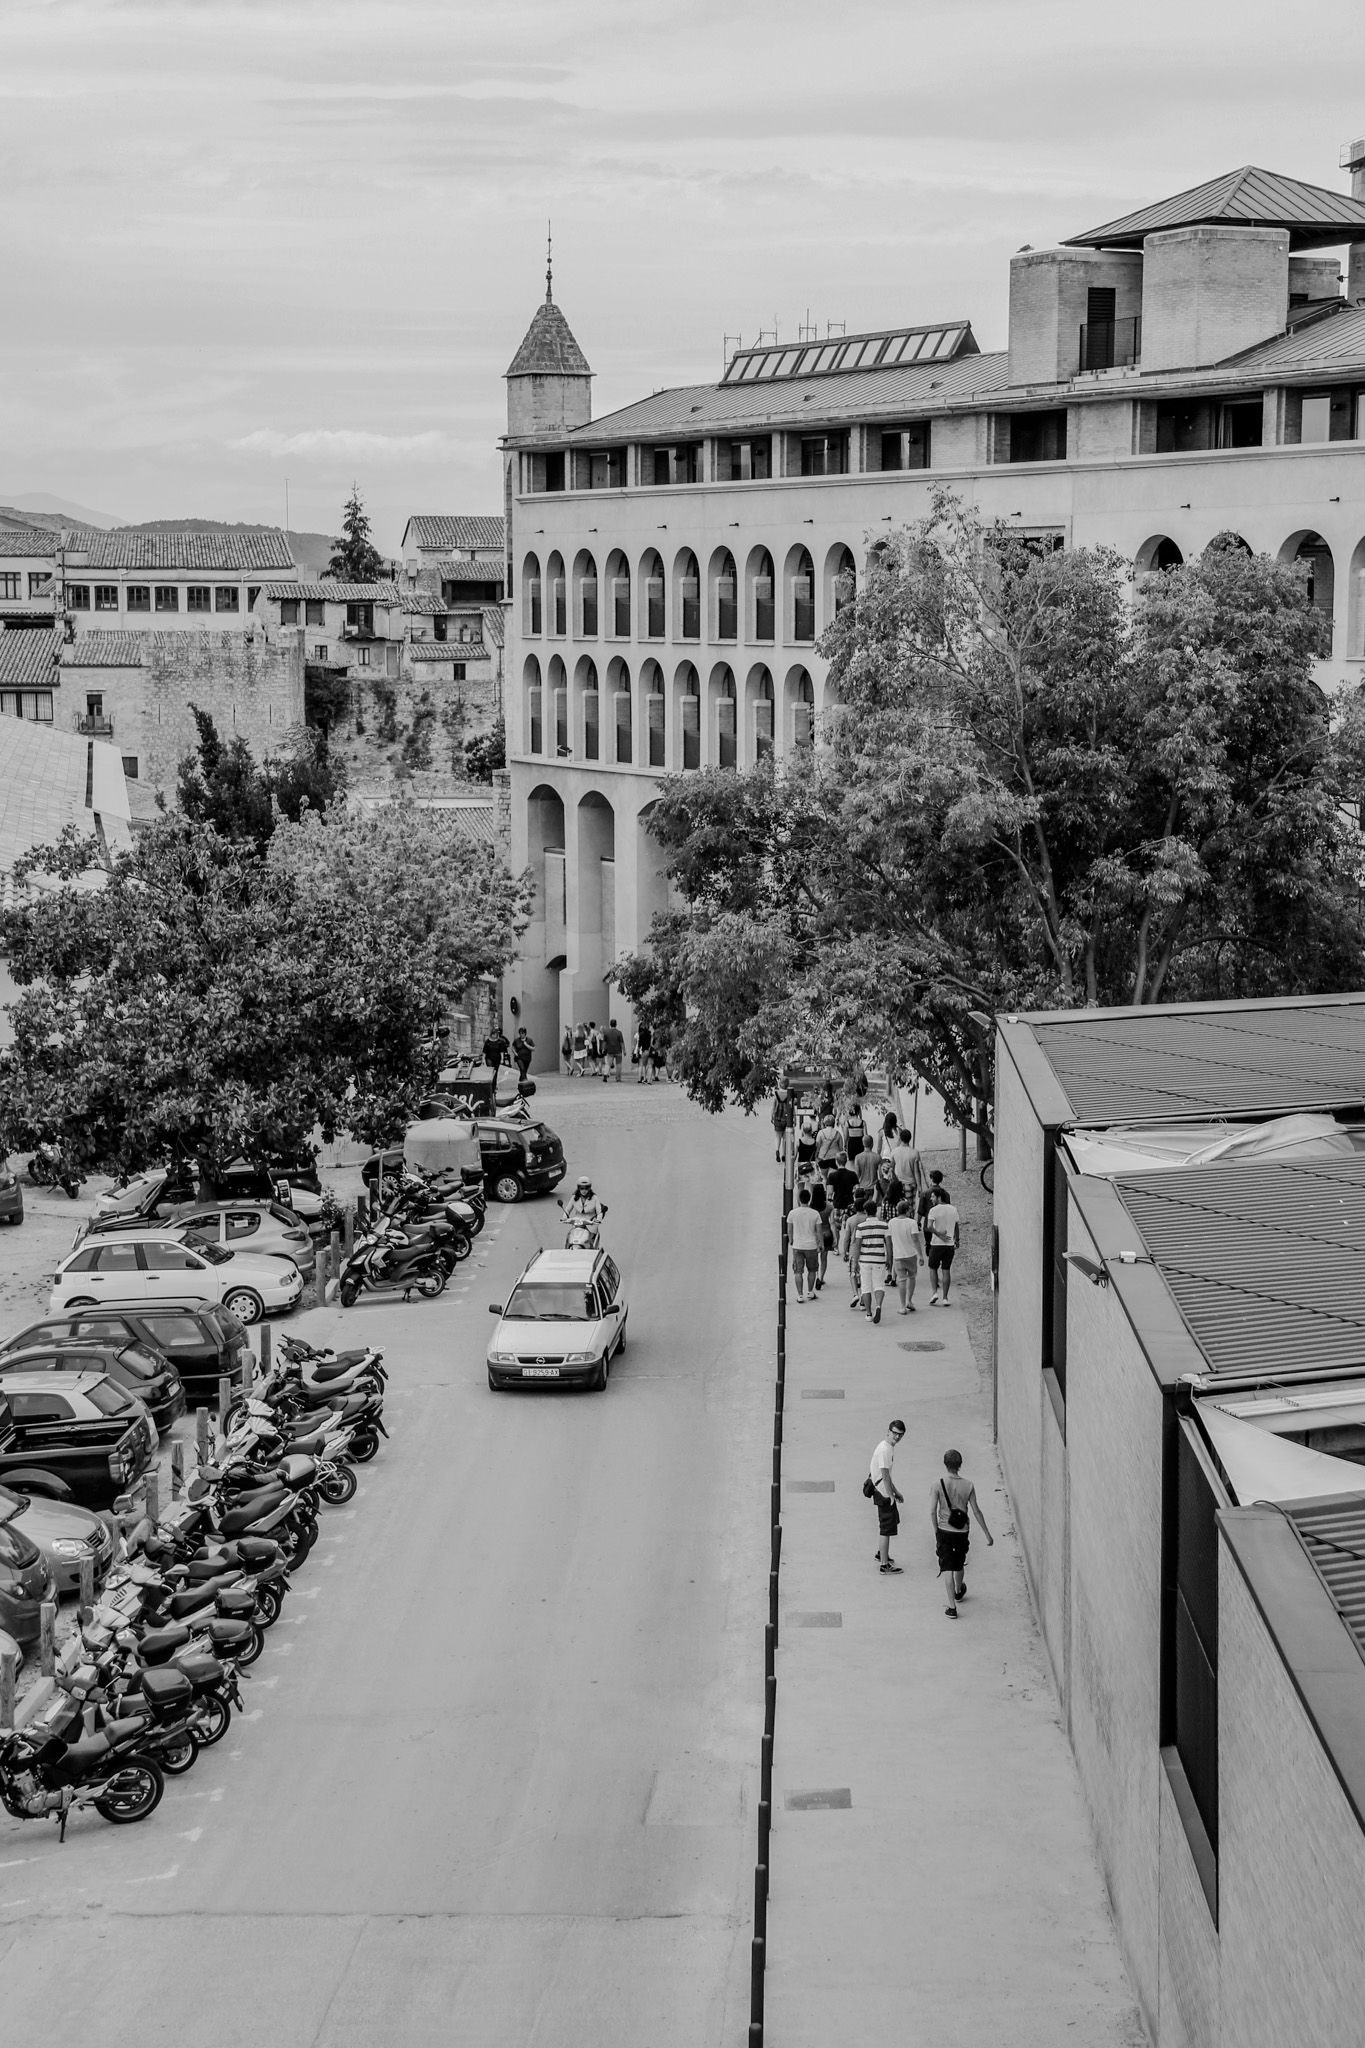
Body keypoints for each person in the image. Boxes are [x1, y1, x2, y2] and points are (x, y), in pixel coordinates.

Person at [931, 1447, 993, 1617]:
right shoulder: (968, 1485)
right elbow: (976, 1511)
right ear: (960, 1464)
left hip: (944, 1530)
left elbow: (932, 1511)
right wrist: (987, 1534)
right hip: (962, 1531)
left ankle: (952, 1607)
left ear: (945, 1464)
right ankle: (959, 1591)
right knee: (959, 1563)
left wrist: (936, 1530)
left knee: (947, 1568)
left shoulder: (937, 1484)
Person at [869, 1420, 906, 1573]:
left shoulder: (886, 1447)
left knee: (888, 1525)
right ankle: (884, 1565)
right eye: (895, 1433)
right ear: (889, 1431)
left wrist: (896, 1491)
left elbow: (887, 1476)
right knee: (886, 1528)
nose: (897, 1437)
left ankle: (881, 1554)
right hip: (883, 1492)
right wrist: (891, 1496)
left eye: (900, 1434)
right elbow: (885, 1476)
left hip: (882, 1490)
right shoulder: (885, 1450)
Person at [854, 1203, 892, 1324]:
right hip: (879, 1259)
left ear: (865, 1211)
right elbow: (889, 1244)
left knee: (865, 1287)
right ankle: (878, 1305)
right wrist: (889, 1259)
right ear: (876, 1211)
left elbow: (857, 1246)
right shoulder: (884, 1225)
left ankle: (869, 1313)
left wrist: (855, 1262)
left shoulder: (860, 1227)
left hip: (865, 1260)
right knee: (879, 1285)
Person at [788, 1184, 824, 1304]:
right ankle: (810, 1291)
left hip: (797, 1245)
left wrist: (791, 1240)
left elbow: (789, 1229)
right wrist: (821, 1244)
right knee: (812, 1269)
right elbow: (819, 1231)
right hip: (811, 1246)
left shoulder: (792, 1213)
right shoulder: (815, 1214)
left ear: (799, 1199)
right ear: (809, 1199)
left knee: (798, 1271)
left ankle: (799, 1295)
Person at [925, 1187, 961, 1305]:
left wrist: (939, 1234)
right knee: (946, 1270)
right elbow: (956, 1226)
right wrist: (957, 1239)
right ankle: (945, 1298)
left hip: (936, 1244)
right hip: (949, 1244)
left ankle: (934, 1292)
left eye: (933, 1196)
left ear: (939, 1197)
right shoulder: (953, 1209)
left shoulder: (933, 1210)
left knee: (933, 1268)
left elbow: (929, 1226)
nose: (931, 1199)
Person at [888, 1198, 924, 1314]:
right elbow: (916, 1240)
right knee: (912, 1277)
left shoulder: (891, 1222)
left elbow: (889, 1238)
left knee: (901, 1280)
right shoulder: (912, 1223)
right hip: (911, 1254)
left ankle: (902, 1306)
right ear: (907, 1210)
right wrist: (920, 1255)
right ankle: (910, 1300)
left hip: (898, 1255)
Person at [563, 1175, 607, 1242]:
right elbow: (567, 1209)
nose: (584, 1191)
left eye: (586, 1188)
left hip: (590, 1224)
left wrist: (598, 1220)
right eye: (582, 1188)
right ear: (578, 1188)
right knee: (570, 1238)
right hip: (577, 1224)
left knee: (589, 1240)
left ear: (589, 1188)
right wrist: (564, 1217)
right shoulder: (574, 1197)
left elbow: (599, 1211)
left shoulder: (594, 1198)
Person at [807, 1168, 831, 1289]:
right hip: (826, 1232)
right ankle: (821, 1277)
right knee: (824, 1257)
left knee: (815, 1257)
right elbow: (832, 1222)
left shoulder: (811, 1208)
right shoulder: (829, 1206)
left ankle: (816, 1276)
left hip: (814, 1234)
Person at [826, 1154, 857, 1241]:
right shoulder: (852, 1174)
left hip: (837, 1204)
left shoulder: (832, 1175)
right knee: (850, 1229)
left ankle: (836, 1245)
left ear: (836, 1161)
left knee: (836, 1228)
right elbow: (857, 1189)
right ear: (846, 1161)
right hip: (850, 1205)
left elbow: (830, 1192)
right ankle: (848, 1246)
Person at [890, 1126, 924, 1197]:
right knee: (910, 1203)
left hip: (898, 1184)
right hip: (911, 1183)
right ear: (910, 1139)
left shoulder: (894, 1152)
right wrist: (919, 1186)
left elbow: (891, 1168)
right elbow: (916, 1171)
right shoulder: (915, 1152)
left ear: (900, 1138)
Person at [771, 1073, 795, 1163]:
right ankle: (783, 1155)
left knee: (778, 1136)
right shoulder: (789, 1094)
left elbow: (773, 1106)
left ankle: (777, 1150)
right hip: (787, 1118)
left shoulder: (776, 1093)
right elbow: (791, 1107)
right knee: (785, 1137)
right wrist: (794, 1118)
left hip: (778, 1117)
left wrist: (772, 1116)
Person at [842, 1096, 867, 1162]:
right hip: (860, 1143)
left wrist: (844, 1145)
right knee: (861, 1162)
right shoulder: (863, 1122)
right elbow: (866, 1136)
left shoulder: (847, 1123)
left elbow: (846, 1136)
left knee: (852, 1163)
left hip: (851, 1143)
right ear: (858, 1111)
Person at [601, 1017, 625, 1083]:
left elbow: (604, 1042)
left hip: (610, 1051)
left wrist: (603, 1049)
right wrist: (624, 1050)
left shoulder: (606, 1033)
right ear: (616, 1024)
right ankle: (618, 1078)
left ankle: (605, 1073)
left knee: (608, 1064)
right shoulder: (619, 1033)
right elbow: (621, 1042)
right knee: (618, 1065)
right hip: (618, 1051)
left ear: (610, 1024)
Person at [635, 1018, 653, 1083]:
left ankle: (644, 1078)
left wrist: (637, 1052)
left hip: (644, 1051)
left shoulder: (641, 1035)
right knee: (650, 1066)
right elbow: (652, 1043)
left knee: (643, 1065)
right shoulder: (650, 1034)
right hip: (650, 1051)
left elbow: (639, 1044)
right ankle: (649, 1080)